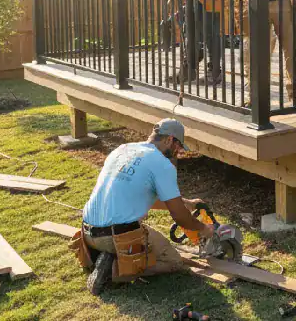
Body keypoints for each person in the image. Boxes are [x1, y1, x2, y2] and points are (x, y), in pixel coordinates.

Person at [75, 118, 213, 295]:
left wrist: (186, 203)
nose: (178, 151)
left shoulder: (123, 149)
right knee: (173, 262)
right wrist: (204, 229)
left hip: (87, 233)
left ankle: (98, 258)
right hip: (115, 236)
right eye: (178, 146)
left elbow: (138, 195)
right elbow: (180, 217)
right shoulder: (162, 165)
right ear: (169, 139)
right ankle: (113, 270)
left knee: (144, 242)